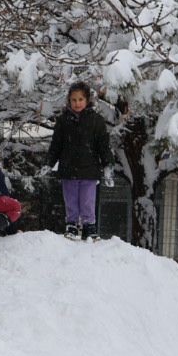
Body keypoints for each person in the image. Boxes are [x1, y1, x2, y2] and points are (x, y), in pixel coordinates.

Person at [46, 80, 114, 239]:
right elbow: (56, 145)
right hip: (68, 169)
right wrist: (48, 163)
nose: (77, 103)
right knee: (71, 200)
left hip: (89, 169)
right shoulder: (63, 121)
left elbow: (103, 145)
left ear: (87, 100)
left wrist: (108, 166)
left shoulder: (96, 120)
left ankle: (89, 225)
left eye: (80, 99)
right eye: (74, 100)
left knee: (87, 201)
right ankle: (71, 225)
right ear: (69, 101)